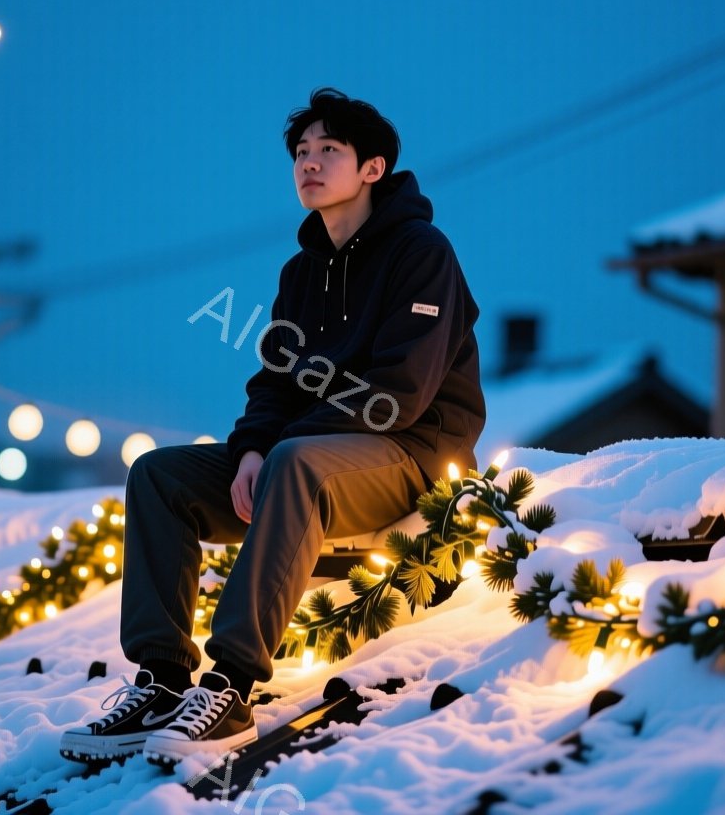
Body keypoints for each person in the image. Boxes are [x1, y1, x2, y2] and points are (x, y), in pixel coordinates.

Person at [60, 88, 485, 765]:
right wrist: (254, 445)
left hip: (410, 457)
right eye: (301, 153)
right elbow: (275, 382)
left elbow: (398, 394)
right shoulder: (302, 271)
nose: (308, 164)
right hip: (308, 457)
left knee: (297, 462)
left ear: (372, 168)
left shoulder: (421, 252)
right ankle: (163, 681)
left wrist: (280, 448)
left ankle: (229, 687)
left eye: (329, 151)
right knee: (160, 476)